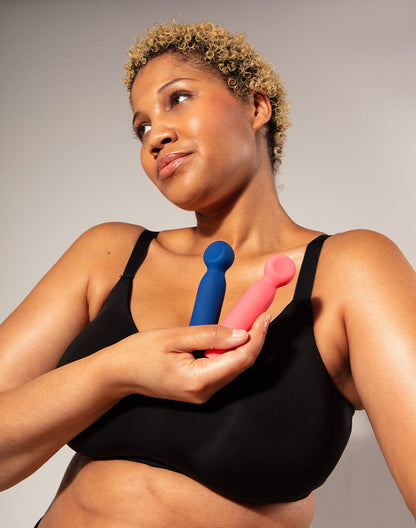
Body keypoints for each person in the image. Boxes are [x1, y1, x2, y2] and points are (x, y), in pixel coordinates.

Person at [1, 20, 415, 528]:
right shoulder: (108, 256)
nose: (156, 137)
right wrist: (115, 370)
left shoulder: (350, 271)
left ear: (256, 106)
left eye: (178, 99)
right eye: (142, 127)